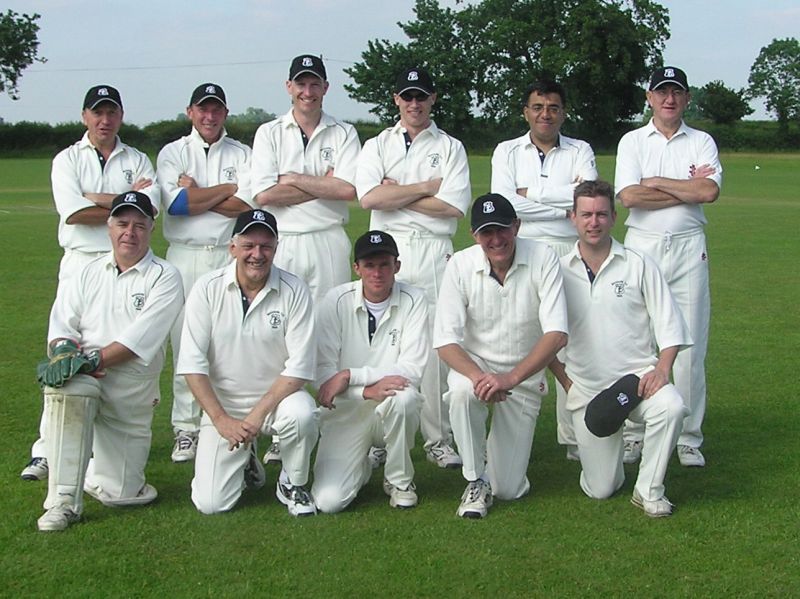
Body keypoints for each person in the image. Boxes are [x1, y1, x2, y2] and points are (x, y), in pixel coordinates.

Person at [22, 85, 160, 482]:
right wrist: (125, 200)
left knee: (116, 352)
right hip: (81, 263)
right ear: (85, 116)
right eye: (97, 113)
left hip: (128, 263)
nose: (104, 120)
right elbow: (74, 213)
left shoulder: (136, 158)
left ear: (121, 115)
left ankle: (105, 440)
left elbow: (151, 208)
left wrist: (98, 198)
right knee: (65, 353)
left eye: (111, 112)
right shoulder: (67, 159)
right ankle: (47, 449)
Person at [35, 192, 183, 532]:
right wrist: (64, 354)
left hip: (129, 390)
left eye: (138, 225)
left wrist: (90, 358)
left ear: (151, 229)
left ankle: (86, 466)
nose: (129, 232)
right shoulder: (87, 271)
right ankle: (63, 502)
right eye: (122, 223)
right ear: (109, 226)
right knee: (71, 388)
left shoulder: (165, 276)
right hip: (85, 376)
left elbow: (139, 340)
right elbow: (62, 325)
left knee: (121, 493)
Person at [549, 180, 691, 517]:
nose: (593, 222)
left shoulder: (639, 263)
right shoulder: (555, 271)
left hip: (637, 380)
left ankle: (649, 491)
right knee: (602, 489)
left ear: (614, 216)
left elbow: (670, 325)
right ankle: (603, 458)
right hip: (586, 390)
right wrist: (566, 381)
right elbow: (543, 337)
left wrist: (662, 369)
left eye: (600, 214)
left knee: (671, 406)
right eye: (585, 214)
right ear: (572, 217)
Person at [356, 66, 471, 469]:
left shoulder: (451, 147)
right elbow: (368, 199)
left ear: (433, 99)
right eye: (408, 97)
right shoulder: (376, 145)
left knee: (439, 347)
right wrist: (425, 187)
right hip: (388, 253)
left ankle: (437, 438)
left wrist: (396, 193)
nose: (415, 104)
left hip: (434, 253)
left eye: (422, 96)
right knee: (385, 341)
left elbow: (454, 207)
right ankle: (381, 437)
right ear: (396, 100)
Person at [251, 54, 360, 465]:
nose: (308, 91)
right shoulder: (268, 133)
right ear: (289, 87)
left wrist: (292, 178)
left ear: (325, 88)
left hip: (328, 240)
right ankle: (285, 427)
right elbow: (261, 195)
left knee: (333, 331)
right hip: (284, 242)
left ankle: (337, 423)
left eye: (315, 84)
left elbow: (348, 190)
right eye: (301, 84)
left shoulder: (344, 132)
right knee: (283, 334)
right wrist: (321, 182)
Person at [177, 209, 319, 516]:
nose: (257, 254)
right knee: (211, 505)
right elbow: (192, 363)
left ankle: (293, 482)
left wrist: (256, 416)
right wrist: (220, 419)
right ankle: (246, 462)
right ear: (232, 248)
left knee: (302, 413)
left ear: (276, 248)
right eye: (249, 246)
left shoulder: (295, 290)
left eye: (266, 246)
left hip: (276, 403)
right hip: (224, 409)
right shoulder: (206, 288)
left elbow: (300, 368)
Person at [433, 194, 568, 519]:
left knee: (508, 488)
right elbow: (445, 341)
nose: (496, 240)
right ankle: (474, 478)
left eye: (503, 230)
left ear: (517, 226)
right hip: (476, 373)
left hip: (522, 379)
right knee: (463, 393)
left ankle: (492, 469)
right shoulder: (460, 265)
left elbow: (556, 333)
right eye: (486, 233)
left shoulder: (543, 257)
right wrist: (480, 378)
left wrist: (510, 378)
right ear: (475, 235)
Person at [615, 66, 722, 468]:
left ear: (687, 98)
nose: (669, 99)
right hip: (642, 248)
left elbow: (708, 191)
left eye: (676, 92)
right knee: (638, 341)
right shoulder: (632, 140)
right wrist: (684, 189)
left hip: (689, 249)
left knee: (690, 346)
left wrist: (657, 180)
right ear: (650, 97)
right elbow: (628, 197)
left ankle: (689, 437)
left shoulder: (702, 141)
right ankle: (635, 431)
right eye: (662, 92)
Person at [491, 79, 598, 462]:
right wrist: (561, 201)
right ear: (526, 111)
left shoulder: (579, 149)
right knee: (521, 338)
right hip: (522, 249)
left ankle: (575, 437)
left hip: (570, 251)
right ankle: (510, 433)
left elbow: (585, 200)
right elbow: (504, 207)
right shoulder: (507, 151)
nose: (545, 114)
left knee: (571, 343)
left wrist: (529, 195)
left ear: (563, 112)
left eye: (553, 107)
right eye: (537, 107)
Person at [156, 83, 254, 464]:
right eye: (203, 109)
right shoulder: (172, 153)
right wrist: (223, 192)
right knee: (186, 342)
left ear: (225, 113)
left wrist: (203, 192)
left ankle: (234, 420)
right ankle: (186, 427)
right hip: (185, 256)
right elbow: (177, 206)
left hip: (230, 256)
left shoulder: (243, 153)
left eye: (216, 109)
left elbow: (246, 205)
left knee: (231, 340)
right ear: (190, 112)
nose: (209, 116)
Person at [312, 231, 429, 512]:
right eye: (369, 265)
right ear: (357, 268)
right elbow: (323, 377)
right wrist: (365, 391)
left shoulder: (415, 299)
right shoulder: (335, 300)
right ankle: (361, 466)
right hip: (346, 412)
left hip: (388, 403)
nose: (377, 273)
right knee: (329, 502)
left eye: (384, 264)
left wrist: (351, 375)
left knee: (405, 398)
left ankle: (400, 481)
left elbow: (412, 368)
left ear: (397, 266)